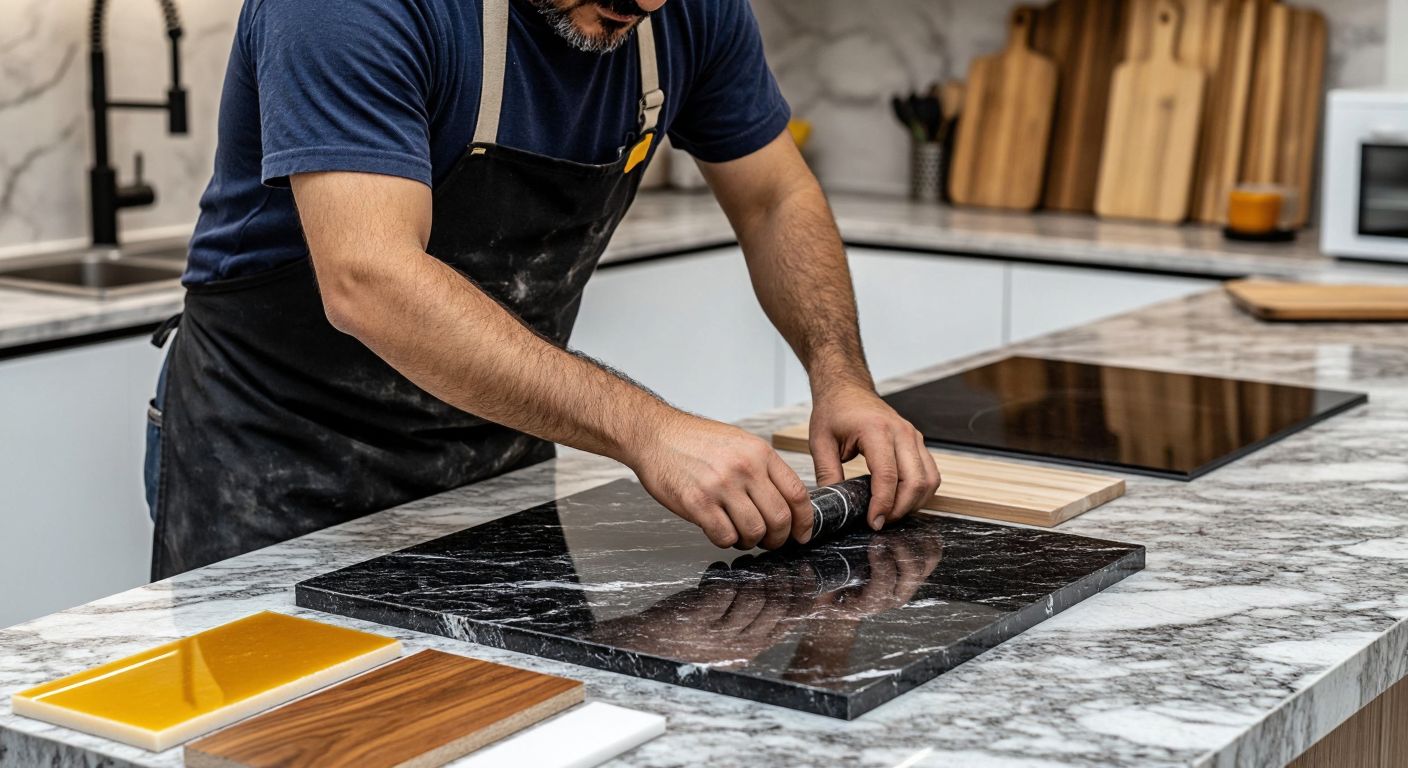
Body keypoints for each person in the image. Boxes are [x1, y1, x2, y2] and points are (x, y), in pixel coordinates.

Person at [143, 0, 941, 580]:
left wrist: (842, 377)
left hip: (498, 453)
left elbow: (774, 199)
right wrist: (648, 430)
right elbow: (371, 280)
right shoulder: (345, 9)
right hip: (280, 464)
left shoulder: (678, 13)